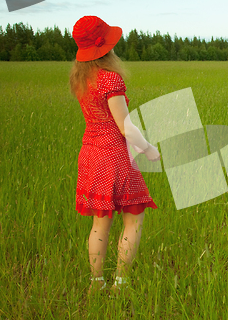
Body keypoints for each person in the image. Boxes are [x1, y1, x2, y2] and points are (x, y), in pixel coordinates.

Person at [69, 16, 161, 294]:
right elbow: (125, 127)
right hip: (114, 156)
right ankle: (120, 284)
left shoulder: (81, 78)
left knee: (100, 222)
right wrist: (148, 149)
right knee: (134, 217)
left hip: (90, 154)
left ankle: (96, 284)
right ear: (106, 47)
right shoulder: (110, 78)